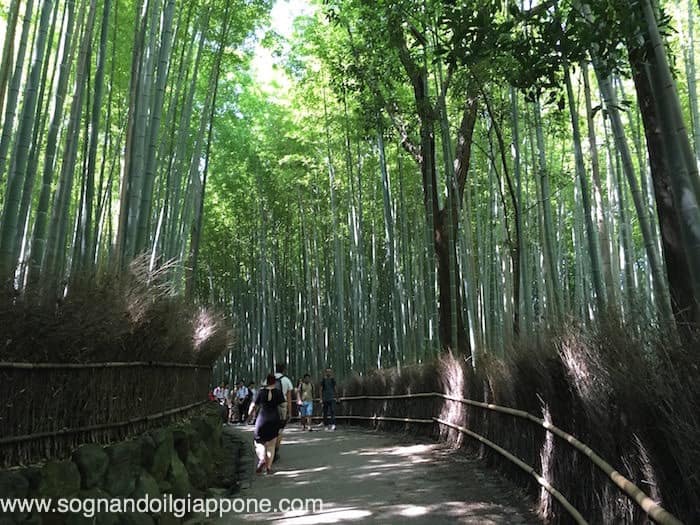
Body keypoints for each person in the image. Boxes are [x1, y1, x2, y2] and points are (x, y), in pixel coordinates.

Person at [248, 374, 285, 475]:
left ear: (266, 382)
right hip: (274, 419)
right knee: (271, 445)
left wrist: (249, 415)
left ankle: (261, 459)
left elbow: (253, 406)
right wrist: (284, 419)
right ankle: (268, 467)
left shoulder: (261, 392)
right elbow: (283, 407)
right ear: (275, 382)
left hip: (262, 419)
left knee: (259, 441)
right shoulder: (278, 392)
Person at [274, 363, 294, 461]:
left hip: (269, 407)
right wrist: (290, 413)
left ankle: (269, 450)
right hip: (282, 406)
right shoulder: (286, 380)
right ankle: (275, 450)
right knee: (280, 430)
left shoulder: (268, 379)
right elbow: (289, 399)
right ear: (284, 370)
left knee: (270, 428)